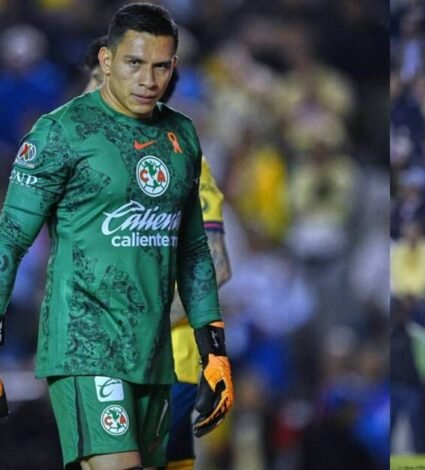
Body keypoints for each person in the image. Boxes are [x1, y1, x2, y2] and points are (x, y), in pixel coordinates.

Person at [0, 4, 234, 469]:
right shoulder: (58, 133)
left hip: (158, 357)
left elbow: (196, 255)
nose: (148, 79)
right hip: (86, 343)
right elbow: (9, 240)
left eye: (161, 66)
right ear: (106, 63)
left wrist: (215, 352)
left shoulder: (182, 139)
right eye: (134, 63)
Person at [81, 35, 232, 470]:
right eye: (93, 78)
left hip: (166, 363)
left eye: (102, 80)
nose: (91, 92)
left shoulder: (184, 163)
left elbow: (216, 267)